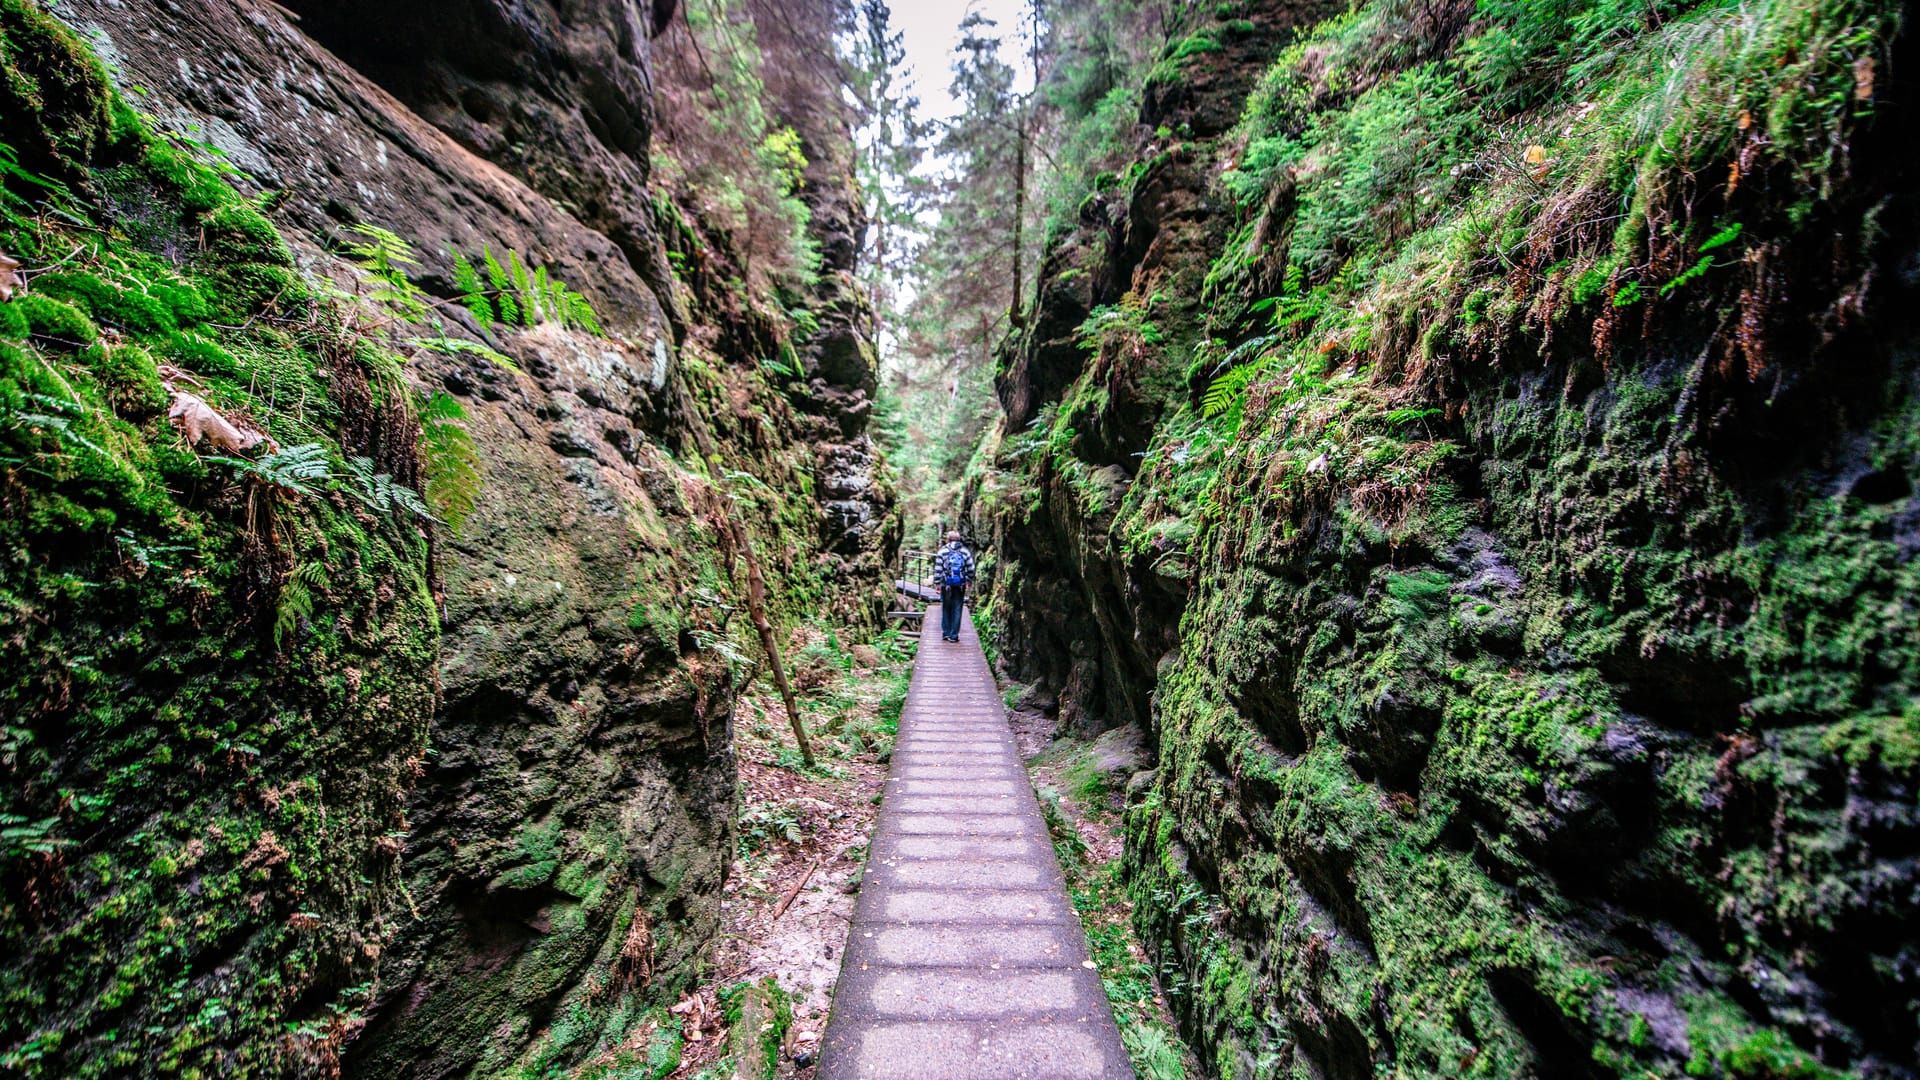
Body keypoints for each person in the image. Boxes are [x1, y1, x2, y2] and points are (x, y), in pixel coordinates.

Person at [932, 530, 975, 643]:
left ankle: (946, 633)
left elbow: (938, 569)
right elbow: (971, 568)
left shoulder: (942, 551)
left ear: (948, 539)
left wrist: (937, 584)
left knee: (946, 607)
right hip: (960, 585)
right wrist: (968, 580)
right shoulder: (965, 551)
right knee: (957, 608)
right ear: (959, 539)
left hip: (946, 585)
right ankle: (954, 635)